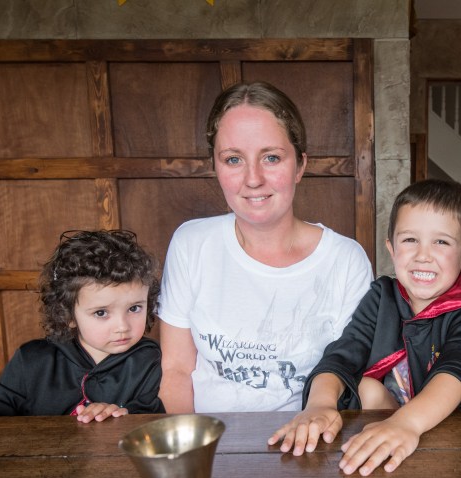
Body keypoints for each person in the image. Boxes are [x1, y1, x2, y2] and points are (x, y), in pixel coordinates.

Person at [158, 82, 372, 413]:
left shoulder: (346, 260)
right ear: (215, 166)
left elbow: (348, 371)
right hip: (209, 444)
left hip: (308, 446)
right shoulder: (191, 244)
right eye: (233, 160)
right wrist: (186, 454)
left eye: (271, 157)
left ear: (300, 165)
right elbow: (176, 371)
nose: (253, 178)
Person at [269, 179, 461, 475]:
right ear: (392, 248)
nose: (423, 254)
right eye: (410, 240)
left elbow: (459, 369)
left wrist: (406, 424)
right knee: (367, 388)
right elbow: (346, 350)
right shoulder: (382, 295)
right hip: (385, 428)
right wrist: (319, 404)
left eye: (441, 242)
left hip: (444, 438)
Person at [0, 230, 165, 425]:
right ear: (68, 314)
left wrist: (119, 414)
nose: (122, 326)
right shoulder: (32, 359)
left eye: (134, 308)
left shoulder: (152, 360)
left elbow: (154, 420)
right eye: (101, 313)